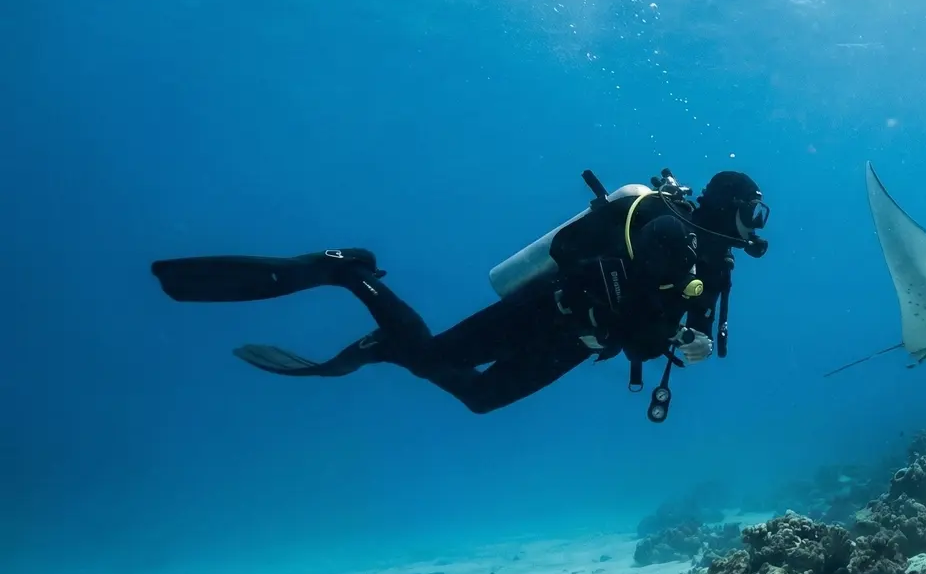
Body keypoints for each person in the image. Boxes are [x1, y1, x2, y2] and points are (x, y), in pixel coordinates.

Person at [149, 168, 770, 420]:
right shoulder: (670, 232)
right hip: (547, 314)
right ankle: (347, 273)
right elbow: (641, 320)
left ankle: (380, 340)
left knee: (476, 395)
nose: (757, 226)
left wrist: (686, 342)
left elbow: (657, 325)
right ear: (729, 206)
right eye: (754, 212)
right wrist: (668, 338)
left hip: (577, 341)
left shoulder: (714, 266)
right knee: (435, 361)